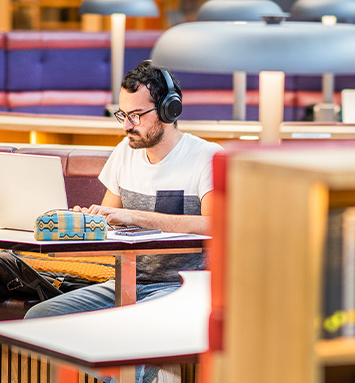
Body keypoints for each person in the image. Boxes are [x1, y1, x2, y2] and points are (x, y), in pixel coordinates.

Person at [24, 60, 223, 383]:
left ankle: (146, 370)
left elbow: (216, 225)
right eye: (122, 115)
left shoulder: (205, 158)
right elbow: (110, 225)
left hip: (182, 288)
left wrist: (135, 216)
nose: (126, 126)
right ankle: (148, 373)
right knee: (40, 319)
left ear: (169, 110)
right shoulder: (124, 152)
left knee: (130, 337)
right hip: (126, 284)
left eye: (136, 116)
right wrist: (85, 221)